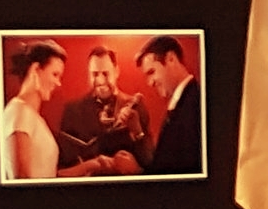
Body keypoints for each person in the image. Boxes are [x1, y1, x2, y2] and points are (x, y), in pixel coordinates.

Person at [51, 42, 146, 173]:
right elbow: (62, 170)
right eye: (95, 74)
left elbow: (149, 163)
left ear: (117, 71)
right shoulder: (72, 111)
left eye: (105, 74)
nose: (100, 81)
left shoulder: (136, 106)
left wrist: (137, 133)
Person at [137, 35, 204, 175]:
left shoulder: (195, 105)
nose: (150, 83)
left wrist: (137, 172)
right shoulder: (183, 103)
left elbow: (183, 172)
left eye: (152, 72)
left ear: (171, 59)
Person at [2, 44, 65, 180]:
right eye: (55, 74)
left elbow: (48, 175)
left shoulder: (32, 116)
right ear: (35, 69)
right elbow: (21, 178)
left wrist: (92, 166)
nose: (58, 83)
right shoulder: (19, 112)